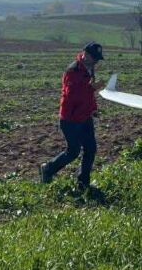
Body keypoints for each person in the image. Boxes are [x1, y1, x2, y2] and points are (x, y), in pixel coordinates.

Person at [40, 42, 106, 191]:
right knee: (73, 151)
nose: (96, 61)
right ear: (85, 54)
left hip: (85, 116)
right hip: (70, 118)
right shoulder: (72, 70)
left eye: (97, 59)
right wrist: (91, 88)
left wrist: (93, 109)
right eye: (94, 58)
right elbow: (72, 95)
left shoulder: (89, 68)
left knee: (90, 148)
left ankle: (83, 183)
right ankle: (48, 169)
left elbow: (88, 97)